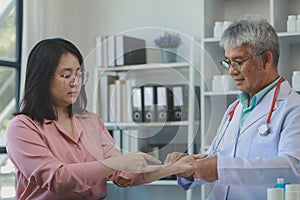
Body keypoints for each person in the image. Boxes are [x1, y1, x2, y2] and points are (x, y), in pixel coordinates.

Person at [6, 38, 197, 200]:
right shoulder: (22, 127)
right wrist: (116, 163)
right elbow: (58, 178)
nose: (75, 82)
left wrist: (172, 168)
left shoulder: (90, 121)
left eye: (79, 74)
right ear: (41, 78)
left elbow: (123, 175)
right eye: (66, 75)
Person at [166, 14, 300, 199]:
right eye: (228, 62)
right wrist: (188, 168)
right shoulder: (234, 109)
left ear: (267, 60)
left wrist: (221, 168)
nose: (231, 71)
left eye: (238, 62)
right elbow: (215, 159)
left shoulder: (293, 108)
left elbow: (293, 168)